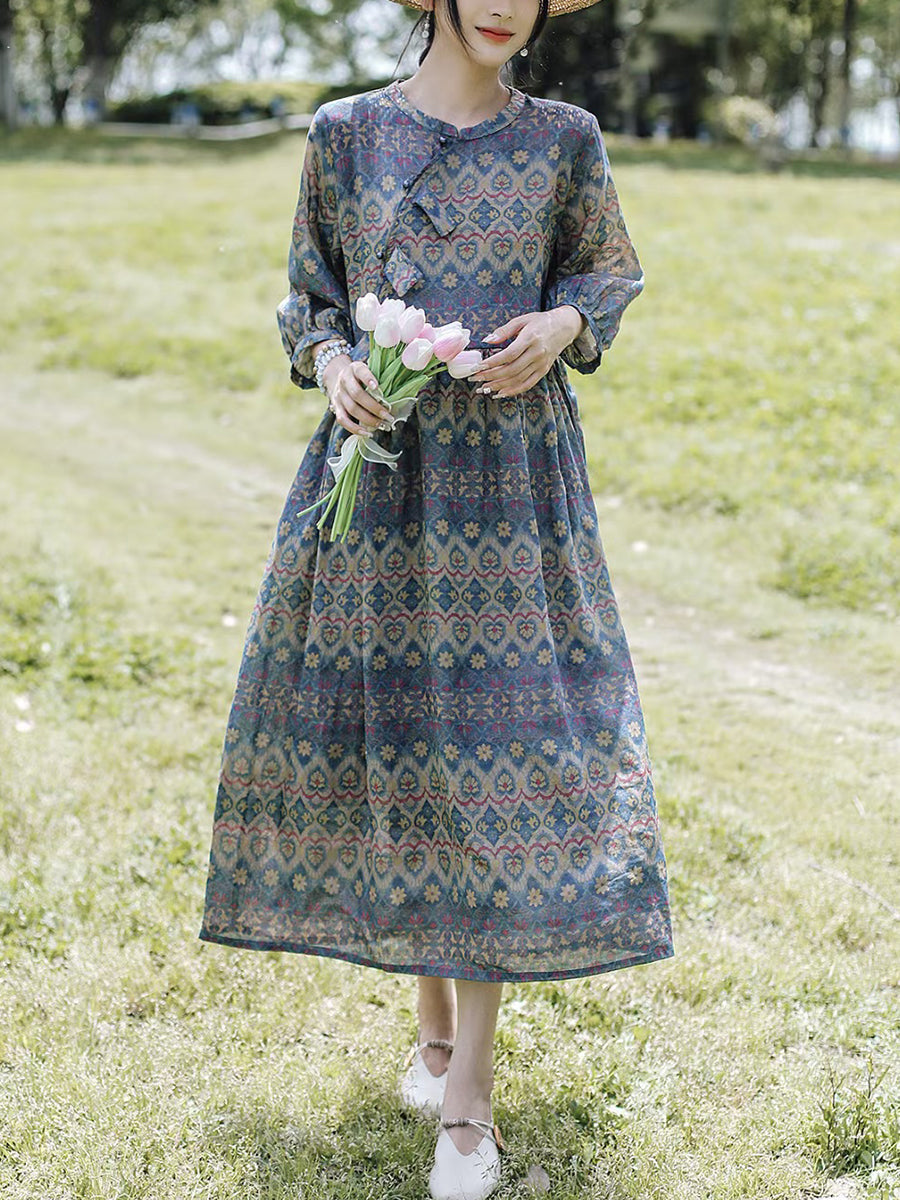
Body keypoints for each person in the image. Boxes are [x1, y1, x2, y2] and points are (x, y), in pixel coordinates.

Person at [199, 0, 675, 1196]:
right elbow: (309, 296)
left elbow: (607, 270)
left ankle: (470, 1101)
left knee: (500, 752)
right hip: (381, 478)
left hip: (513, 490)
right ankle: (431, 1036)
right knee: (406, 745)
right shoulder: (345, 135)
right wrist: (337, 363)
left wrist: (563, 323)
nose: (511, 3)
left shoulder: (563, 135)